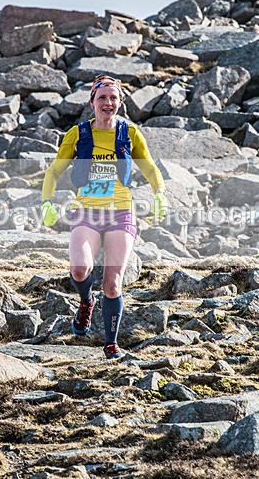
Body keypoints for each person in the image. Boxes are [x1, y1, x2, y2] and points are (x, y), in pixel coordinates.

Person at [40, 75, 168, 359]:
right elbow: (54, 172)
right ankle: (86, 301)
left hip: (121, 214)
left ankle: (111, 344)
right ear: (92, 103)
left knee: (113, 282)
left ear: (120, 103)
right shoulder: (78, 134)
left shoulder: (130, 133)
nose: (108, 103)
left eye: (113, 98)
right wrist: (46, 202)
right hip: (86, 213)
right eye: (102, 98)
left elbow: (150, 169)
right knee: (79, 269)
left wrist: (160, 193)